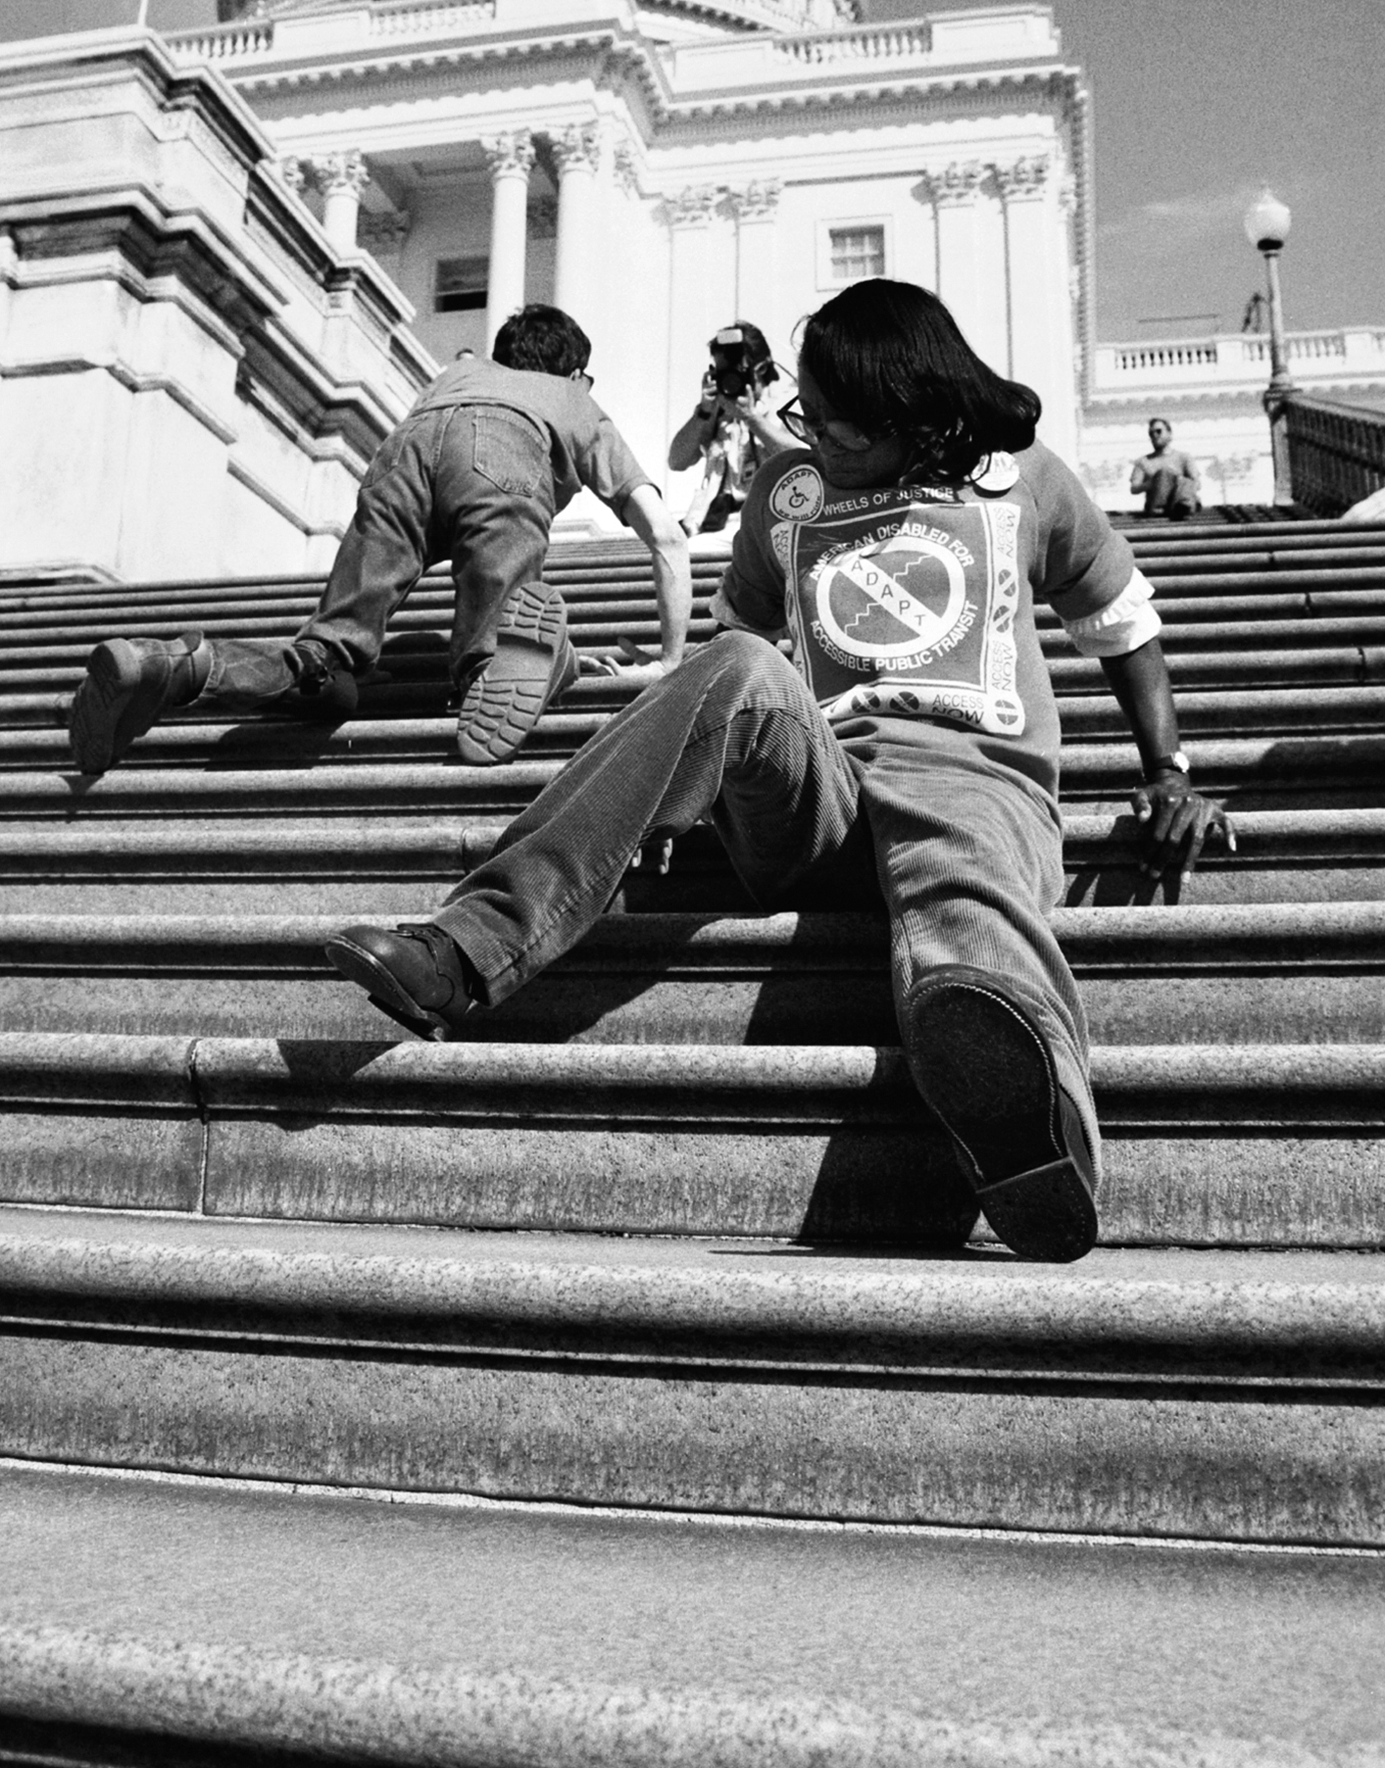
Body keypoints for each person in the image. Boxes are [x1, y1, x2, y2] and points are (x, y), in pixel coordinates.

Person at [327, 280, 1234, 1266]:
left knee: (967, 906)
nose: (811, 438)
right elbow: (738, 653)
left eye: (840, 428)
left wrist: (1170, 770)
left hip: (972, 779)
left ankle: (1029, 1136)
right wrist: (673, 789)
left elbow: (1124, 622)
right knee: (737, 663)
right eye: (805, 411)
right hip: (822, 798)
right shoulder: (786, 493)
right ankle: (467, 947)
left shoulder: (1018, 483)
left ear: (921, 421)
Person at [68, 303, 692, 775]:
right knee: (493, 648)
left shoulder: (455, 376)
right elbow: (665, 536)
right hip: (504, 457)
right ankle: (517, 660)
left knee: (325, 666)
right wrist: (669, 659)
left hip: (403, 455)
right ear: (580, 374)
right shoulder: (570, 398)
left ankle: (171, 666)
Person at [667, 321, 800, 536]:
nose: (730, 380)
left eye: (737, 372)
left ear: (762, 368)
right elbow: (676, 461)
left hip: (769, 522)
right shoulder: (717, 412)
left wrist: (752, 419)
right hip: (714, 523)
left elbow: (802, 457)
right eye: (722, 372)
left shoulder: (786, 404)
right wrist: (703, 412)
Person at [1131, 417, 1202, 519]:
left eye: (1159, 431)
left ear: (1169, 434)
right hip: (1157, 505)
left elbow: (1197, 484)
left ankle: (1183, 505)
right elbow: (1134, 488)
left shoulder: (1184, 457)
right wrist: (1154, 482)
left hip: (1180, 500)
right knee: (1163, 474)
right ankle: (1184, 504)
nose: (1155, 435)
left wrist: (1177, 480)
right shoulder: (1143, 461)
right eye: (1151, 433)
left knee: (1184, 481)